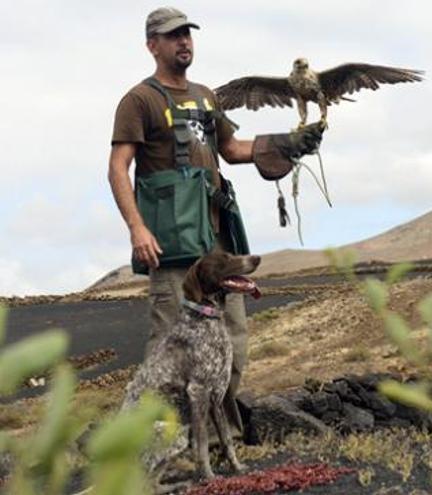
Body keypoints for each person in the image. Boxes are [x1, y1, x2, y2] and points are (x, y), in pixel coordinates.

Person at [108, 7, 322, 433]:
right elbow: (118, 168)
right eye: (172, 36)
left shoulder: (207, 97)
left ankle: (223, 441)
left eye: (187, 34)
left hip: (216, 245)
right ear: (153, 45)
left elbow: (233, 149)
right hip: (172, 246)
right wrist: (137, 227)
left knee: (232, 343)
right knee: (171, 348)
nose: (183, 42)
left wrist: (288, 142)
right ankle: (157, 444)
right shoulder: (139, 100)